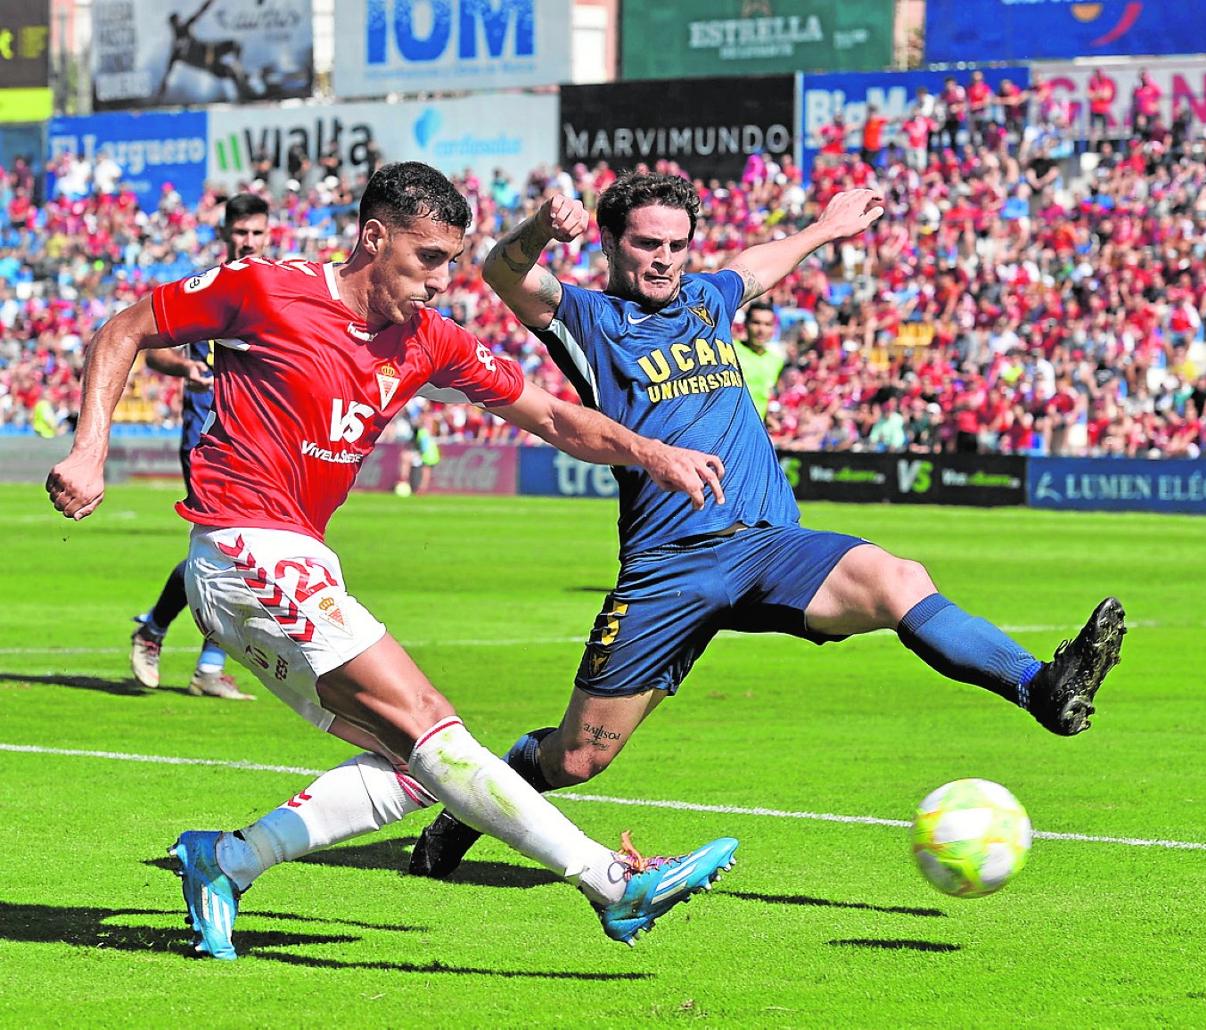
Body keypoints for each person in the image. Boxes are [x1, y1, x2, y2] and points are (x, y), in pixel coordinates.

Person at [46, 162, 738, 960]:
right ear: (373, 238)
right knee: (429, 727)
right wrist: (90, 449)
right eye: (428, 258)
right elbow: (124, 327)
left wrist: (651, 450)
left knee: (414, 767)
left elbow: (551, 414)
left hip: (296, 560)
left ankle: (226, 860)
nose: (443, 280)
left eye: (452, 259)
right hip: (244, 544)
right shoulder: (266, 289)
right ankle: (612, 884)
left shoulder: (428, 340)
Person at [407, 172, 1127, 879]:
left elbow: (754, 267)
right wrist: (538, 228)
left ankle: (1041, 687)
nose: (664, 258)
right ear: (609, 243)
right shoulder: (590, 320)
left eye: (678, 245)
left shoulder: (705, 299)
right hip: (670, 568)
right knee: (578, 758)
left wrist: (825, 229)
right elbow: (506, 272)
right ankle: (465, 810)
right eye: (648, 243)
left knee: (898, 578)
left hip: (771, 544)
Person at [130, 193, 271, 700]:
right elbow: (152, 353)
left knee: (247, 555)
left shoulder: (279, 287)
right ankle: (164, 636)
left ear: (268, 233)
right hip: (206, 438)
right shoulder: (204, 288)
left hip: (261, 439)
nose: (248, 242)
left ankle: (192, 653)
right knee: (228, 551)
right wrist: (186, 367)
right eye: (240, 233)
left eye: (256, 233)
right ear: (225, 233)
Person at [735, 302, 786, 419]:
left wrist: (769, 419)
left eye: (767, 324)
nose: (761, 330)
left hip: (756, 430)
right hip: (730, 428)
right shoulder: (730, 351)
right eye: (756, 323)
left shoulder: (776, 361)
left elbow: (764, 396)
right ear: (746, 324)